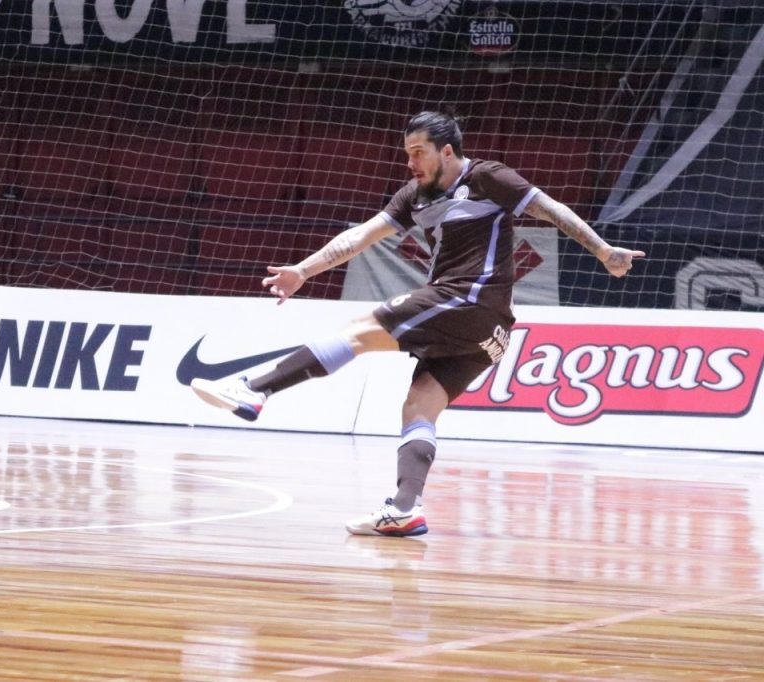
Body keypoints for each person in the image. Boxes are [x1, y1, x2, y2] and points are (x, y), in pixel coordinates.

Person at [192, 111, 645, 537]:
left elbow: (553, 210)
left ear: (447, 151)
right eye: (407, 152)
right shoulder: (414, 196)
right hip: (489, 333)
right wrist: (303, 271)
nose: (410, 162)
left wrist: (603, 250)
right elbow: (360, 237)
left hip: (468, 299)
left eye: (418, 152)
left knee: (359, 331)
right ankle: (405, 510)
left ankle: (257, 389)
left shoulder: (486, 177)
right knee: (419, 406)